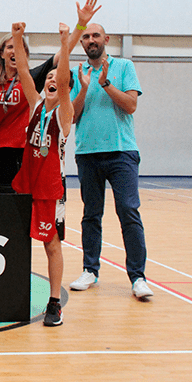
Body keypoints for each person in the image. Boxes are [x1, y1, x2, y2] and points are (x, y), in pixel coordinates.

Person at [0, 0, 99, 193]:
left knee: (15, 202)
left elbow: (62, 53)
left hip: (18, 152)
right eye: (10, 47)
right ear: (1, 53)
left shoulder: (30, 79)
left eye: (19, 49)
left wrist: (80, 24)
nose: (15, 51)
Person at [68, 23, 153, 299]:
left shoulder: (124, 67)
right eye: (85, 37)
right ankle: (89, 270)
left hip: (121, 153)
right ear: (81, 43)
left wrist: (104, 83)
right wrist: (83, 88)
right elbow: (72, 116)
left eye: (95, 36)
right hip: (87, 153)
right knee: (91, 215)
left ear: (106, 39)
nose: (90, 40)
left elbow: (130, 105)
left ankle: (138, 277)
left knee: (129, 212)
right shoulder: (77, 72)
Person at [12, 21, 84, 326]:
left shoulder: (64, 113)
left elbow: (64, 76)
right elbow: (25, 73)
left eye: (58, 78)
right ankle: (12, 294)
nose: (52, 79)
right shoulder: (36, 106)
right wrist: (16, 38)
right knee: (18, 242)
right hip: (25, 185)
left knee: (51, 244)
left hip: (50, 189)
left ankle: (55, 302)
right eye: (50, 77)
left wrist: (67, 42)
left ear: (66, 86)